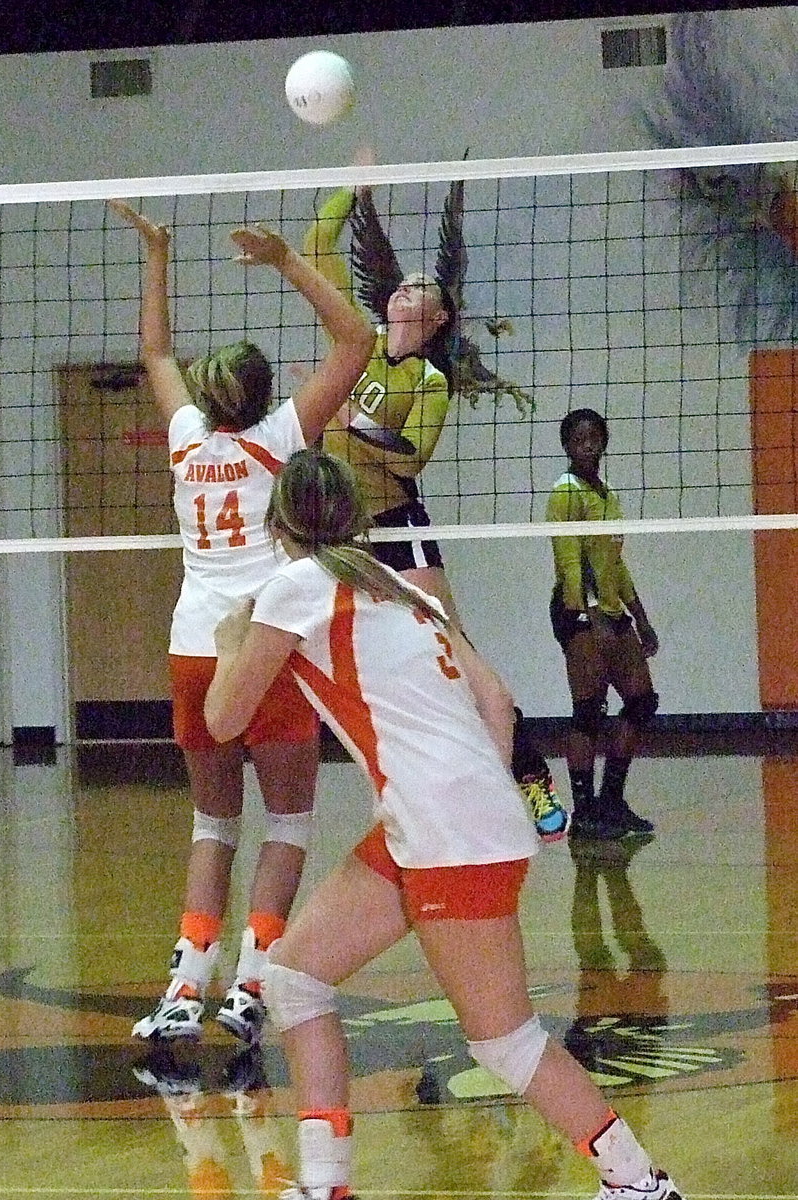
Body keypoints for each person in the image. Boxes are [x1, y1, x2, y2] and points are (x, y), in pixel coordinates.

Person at [203, 447, 683, 1200]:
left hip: (448, 833)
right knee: (294, 977)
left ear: (279, 523)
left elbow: (222, 717)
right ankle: (325, 1183)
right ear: (356, 517)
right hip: (438, 820)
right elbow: (497, 700)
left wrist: (232, 644)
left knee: (503, 1041)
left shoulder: (294, 588)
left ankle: (639, 1184)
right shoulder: (400, 586)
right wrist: (470, 793)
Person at [107, 200, 375, 1043]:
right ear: (262, 395)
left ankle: (188, 986)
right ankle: (254, 983)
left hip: (194, 646)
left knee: (212, 823)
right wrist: (289, 263)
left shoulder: (188, 440)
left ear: (210, 396)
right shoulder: (284, 435)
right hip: (266, 652)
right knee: (288, 821)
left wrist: (158, 251)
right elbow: (356, 342)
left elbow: (154, 350)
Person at [303, 174, 568, 843]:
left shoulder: (429, 380)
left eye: (423, 285)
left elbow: (408, 456)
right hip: (342, 537)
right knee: (378, 665)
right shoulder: (354, 345)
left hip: (398, 526)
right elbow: (314, 248)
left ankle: (530, 777)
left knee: (453, 651)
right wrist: (351, 192)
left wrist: (343, 416)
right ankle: (415, 796)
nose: (407, 286)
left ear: (441, 318)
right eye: (404, 281)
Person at [547, 408, 660, 841]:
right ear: (567, 446)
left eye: (595, 438)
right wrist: (589, 615)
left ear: (604, 442)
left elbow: (615, 563)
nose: (588, 445)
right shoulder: (566, 492)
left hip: (614, 611)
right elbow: (568, 558)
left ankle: (612, 802)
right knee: (588, 712)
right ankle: (586, 812)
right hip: (577, 612)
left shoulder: (608, 494)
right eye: (579, 439)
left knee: (641, 703)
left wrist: (642, 619)